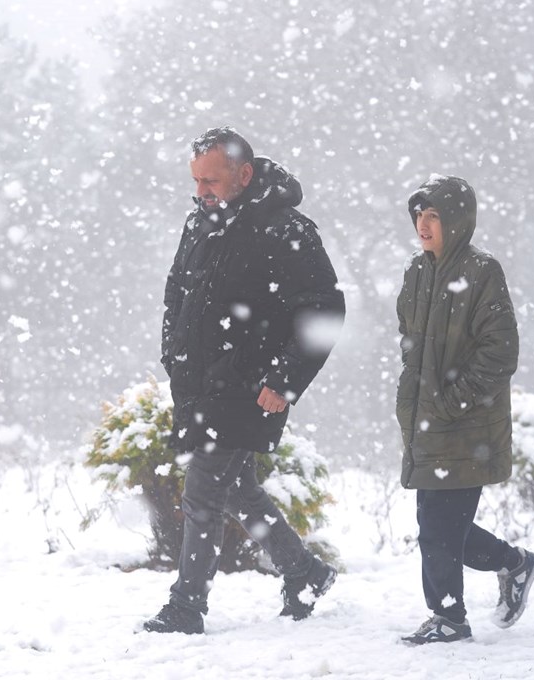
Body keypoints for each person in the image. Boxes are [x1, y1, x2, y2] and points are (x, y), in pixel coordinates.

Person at [143, 127, 346, 635]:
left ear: (245, 174)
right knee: (237, 490)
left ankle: (186, 606)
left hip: (250, 387)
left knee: (203, 495)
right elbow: (177, 296)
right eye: (196, 181)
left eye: (211, 180)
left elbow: (323, 309)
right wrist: (175, 355)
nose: (201, 191)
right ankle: (304, 571)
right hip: (199, 384)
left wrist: (285, 379)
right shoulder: (200, 223)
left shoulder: (284, 229)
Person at [395, 175, 534, 645]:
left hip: (466, 424)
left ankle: (449, 618)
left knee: (439, 528)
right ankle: (515, 563)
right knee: (438, 526)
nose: (424, 223)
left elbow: (501, 351)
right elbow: (410, 342)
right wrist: (414, 399)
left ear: (456, 220)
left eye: (434, 214)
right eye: (420, 214)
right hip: (426, 422)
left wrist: (454, 399)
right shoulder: (417, 272)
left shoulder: (482, 272)